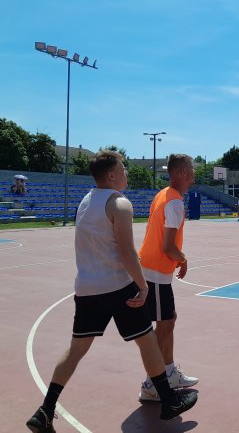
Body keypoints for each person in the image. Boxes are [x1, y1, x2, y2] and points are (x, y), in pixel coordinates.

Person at [26, 151, 197, 432]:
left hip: (86, 288)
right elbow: (127, 252)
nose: (127, 172)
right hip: (118, 287)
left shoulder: (84, 202)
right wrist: (142, 286)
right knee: (147, 341)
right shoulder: (119, 204)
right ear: (111, 175)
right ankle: (168, 401)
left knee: (76, 349)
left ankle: (45, 409)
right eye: (123, 168)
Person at [138, 154, 199, 402]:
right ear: (183, 171)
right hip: (156, 272)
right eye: (192, 168)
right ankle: (153, 382)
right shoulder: (174, 202)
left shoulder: (163, 194)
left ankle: (169, 371)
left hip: (152, 270)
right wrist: (183, 259)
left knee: (168, 320)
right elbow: (168, 247)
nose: (194, 172)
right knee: (163, 325)